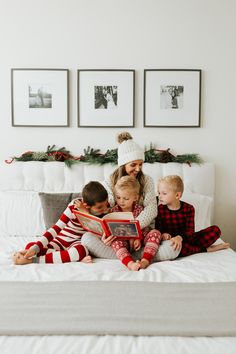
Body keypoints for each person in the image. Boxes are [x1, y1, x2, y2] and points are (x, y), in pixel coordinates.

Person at [81, 132, 180, 262]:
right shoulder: (110, 181)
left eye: (140, 164)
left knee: (172, 248)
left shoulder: (147, 180)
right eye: (133, 165)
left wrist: (134, 233)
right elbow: (106, 209)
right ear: (123, 165)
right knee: (86, 239)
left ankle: (127, 256)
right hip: (118, 237)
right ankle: (138, 255)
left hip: (143, 235)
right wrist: (105, 234)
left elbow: (151, 210)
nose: (138, 169)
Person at [13, 181, 110, 265]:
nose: (105, 209)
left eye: (106, 204)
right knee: (30, 246)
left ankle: (33, 261)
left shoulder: (106, 210)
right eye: (100, 207)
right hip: (61, 240)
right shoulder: (74, 206)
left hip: (77, 243)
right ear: (86, 205)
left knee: (81, 251)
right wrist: (36, 248)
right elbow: (56, 228)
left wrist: (86, 213)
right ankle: (66, 256)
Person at [156, 175, 230, 257]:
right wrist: (163, 234)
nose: (160, 196)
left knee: (215, 230)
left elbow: (190, 232)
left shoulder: (189, 208)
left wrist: (180, 237)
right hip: (171, 242)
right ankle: (206, 249)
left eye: (164, 193)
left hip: (187, 239)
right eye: (159, 193)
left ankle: (193, 249)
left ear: (177, 195)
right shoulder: (160, 209)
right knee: (174, 248)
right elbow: (158, 229)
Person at [110, 176, 162, 270]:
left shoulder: (139, 210)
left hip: (139, 240)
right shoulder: (114, 211)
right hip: (123, 242)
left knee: (156, 233)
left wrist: (137, 238)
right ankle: (130, 263)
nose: (121, 201)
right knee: (115, 242)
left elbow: (144, 227)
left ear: (135, 198)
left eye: (125, 198)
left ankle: (145, 261)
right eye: (118, 197)